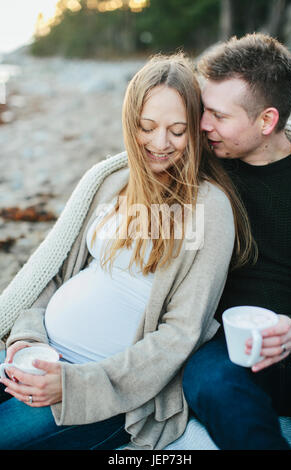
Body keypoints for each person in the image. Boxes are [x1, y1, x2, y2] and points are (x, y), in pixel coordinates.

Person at [0, 54, 253, 450]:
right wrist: (25, 337)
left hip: (100, 394)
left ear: (197, 130)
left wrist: (72, 385)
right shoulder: (113, 182)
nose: (160, 143)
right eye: (147, 127)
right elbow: (55, 272)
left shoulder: (210, 206)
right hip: (38, 356)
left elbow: (180, 334)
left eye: (177, 130)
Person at [183, 33, 291, 450]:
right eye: (202, 110)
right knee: (208, 378)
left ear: (267, 121)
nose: (202, 125)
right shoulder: (205, 167)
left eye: (218, 115)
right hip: (226, 347)